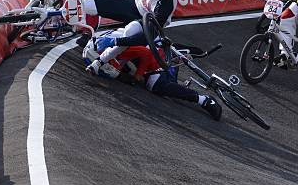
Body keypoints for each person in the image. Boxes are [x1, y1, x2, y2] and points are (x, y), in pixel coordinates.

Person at [82, 31, 223, 121]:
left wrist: (139, 74)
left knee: (155, 85)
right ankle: (176, 58)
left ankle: (204, 100)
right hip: (153, 42)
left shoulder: (117, 49)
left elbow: (146, 54)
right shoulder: (103, 42)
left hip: (155, 53)